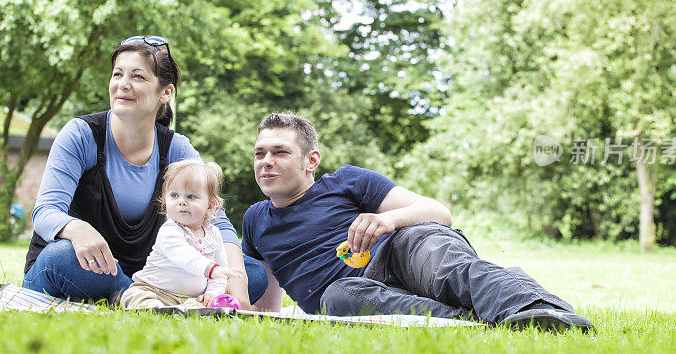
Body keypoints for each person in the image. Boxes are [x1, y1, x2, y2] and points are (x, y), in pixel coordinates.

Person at [242, 113, 594, 331]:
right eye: (260, 153)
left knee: (438, 256)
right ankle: (466, 321)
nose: (266, 162)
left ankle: (538, 309)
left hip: (399, 251)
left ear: (310, 160)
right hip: (354, 293)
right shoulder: (256, 219)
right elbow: (268, 302)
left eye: (279, 152)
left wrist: (386, 221)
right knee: (337, 297)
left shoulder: (347, 181)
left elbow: (440, 213)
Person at [22, 35, 267, 308]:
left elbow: (217, 221)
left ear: (166, 92)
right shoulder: (81, 135)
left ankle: (146, 299)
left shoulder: (176, 148)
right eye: (117, 74)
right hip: (85, 266)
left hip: (148, 277)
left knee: (250, 272)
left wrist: (238, 285)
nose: (123, 84)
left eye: (137, 76)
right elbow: (45, 212)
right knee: (62, 257)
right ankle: (143, 299)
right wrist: (76, 228)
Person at [121, 159, 239, 309]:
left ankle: (182, 310)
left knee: (199, 305)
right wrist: (212, 269)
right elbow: (185, 256)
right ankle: (152, 307)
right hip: (154, 290)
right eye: (174, 195)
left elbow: (221, 271)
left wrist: (213, 292)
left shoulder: (214, 234)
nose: (181, 202)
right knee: (134, 295)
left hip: (188, 297)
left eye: (190, 197)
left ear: (210, 205)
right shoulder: (170, 230)